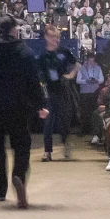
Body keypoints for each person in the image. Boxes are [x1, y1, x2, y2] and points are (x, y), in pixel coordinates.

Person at [0, 16, 48, 208]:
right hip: (20, 108)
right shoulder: (25, 52)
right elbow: (33, 82)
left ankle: (0, 190)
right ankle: (18, 175)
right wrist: (41, 104)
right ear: (14, 30)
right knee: (22, 146)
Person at [38, 24, 78, 162]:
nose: (56, 39)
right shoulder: (42, 56)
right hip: (48, 93)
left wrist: (71, 75)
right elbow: (39, 75)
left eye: (57, 37)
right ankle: (47, 151)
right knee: (47, 122)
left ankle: (66, 143)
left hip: (63, 91)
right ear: (46, 37)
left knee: (64, 120)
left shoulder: (64, 51)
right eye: (52, 36)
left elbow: (76, 63)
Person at [77, 51, 104, 140]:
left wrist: (96, 81)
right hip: (84, 92)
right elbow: (78, 80)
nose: (91, 63)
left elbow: (101, 79)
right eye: (89, 61)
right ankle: (84, 129)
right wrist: (86, 81)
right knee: (84, 111)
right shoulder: (82, 68)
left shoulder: (98, 68)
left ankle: (93, 130)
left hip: (95, 92)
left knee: (93, 110)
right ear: (87, 60)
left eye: (92, 61)